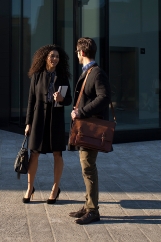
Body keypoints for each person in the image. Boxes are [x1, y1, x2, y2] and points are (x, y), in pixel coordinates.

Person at [68, 37, 112, 225]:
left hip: (91, 128)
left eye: (77, 52)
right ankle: (88, 205)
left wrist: (81, 111)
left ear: (82, 53)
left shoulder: (96, 73)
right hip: (85, 127)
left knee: (88, 167)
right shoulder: (89, 72)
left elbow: (104, 97)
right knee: (86, 167)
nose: (77, 55)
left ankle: (93, 210)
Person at [23, 44, 72, 204]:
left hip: (55, 120)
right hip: (38, 119)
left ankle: (55, 188)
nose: (55, 59)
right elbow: (31, 100)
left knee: (57, 153)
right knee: (34, 153)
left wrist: (61, 99)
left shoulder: (63, 76)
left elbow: (70, 99)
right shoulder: (37, 75)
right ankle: (30, 188)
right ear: (45, 57)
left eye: (57, 56)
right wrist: (28, 123)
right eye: (52, 56)